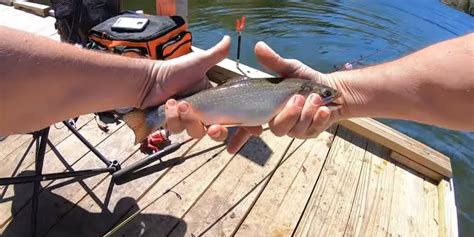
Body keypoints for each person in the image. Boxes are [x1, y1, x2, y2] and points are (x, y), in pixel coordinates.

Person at [1, 26, 473, 153]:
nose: (329, 101)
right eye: (324, 96)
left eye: (325, 98)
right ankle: (147, 117)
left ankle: (146, 116)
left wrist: (151, 83)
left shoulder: (314, 94)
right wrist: (153, 85)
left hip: (203, 103)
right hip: (204, 104)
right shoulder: (304, 94)